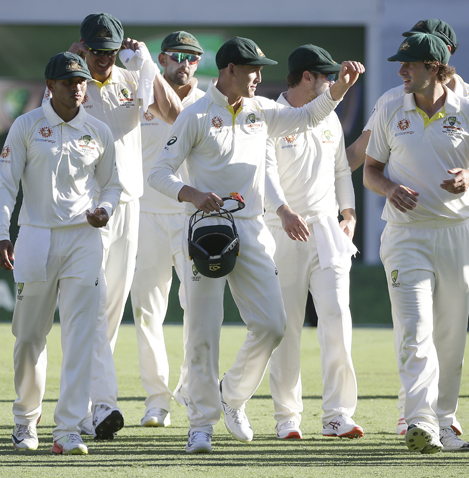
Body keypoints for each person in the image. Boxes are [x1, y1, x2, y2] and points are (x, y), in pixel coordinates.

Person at [149, 36, 364, 453]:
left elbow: (306, 117)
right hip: (207, 230)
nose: (259, 77)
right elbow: (160, 173)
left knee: (272, 324)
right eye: (252, 70)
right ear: (230, 70)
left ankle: (231, 394)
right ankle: (202, 426)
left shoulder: (261, 111)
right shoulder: (195, 115)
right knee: (203, 330)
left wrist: (338, 90)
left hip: (250, 228)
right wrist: (193, 195)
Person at [347, 18, 469, 437]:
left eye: (408, 63)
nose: (400, 70)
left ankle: (443, 417)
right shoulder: (391, 104)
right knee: (415, 330)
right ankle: (419, 420)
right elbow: (369, 168)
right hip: (405, 234)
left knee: (449, 337)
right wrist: (388, 188)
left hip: (457, 233)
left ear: (435, 64)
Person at [44, 13, 184, 439]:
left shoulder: (131, 77)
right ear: (83, 46)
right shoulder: (73, 83)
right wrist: (73, 57)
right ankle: (102, 405)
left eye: (110, 50)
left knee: (108, 310)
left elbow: (174, 114)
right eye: (95, 50)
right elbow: (44, 120)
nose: (104, 59)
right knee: (92, 302)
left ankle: (81, 407)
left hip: (129, 203)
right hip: (86, 209)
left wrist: (149, 67)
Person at [0, 52, 122, 455]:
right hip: (36, 237)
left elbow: (113, 185)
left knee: (81, 335)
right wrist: (1, 233)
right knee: (29, 336)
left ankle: (66, 428)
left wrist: (105, 210)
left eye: (81, 81)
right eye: (69, 82)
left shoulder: (98, 130)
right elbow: (5, 185)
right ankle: (25, 421)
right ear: (50, 86)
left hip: (84, 240)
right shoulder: (27, 126)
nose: (78, 87)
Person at [264, 44, 363, 441]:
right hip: (281, 231)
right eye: (326, 78)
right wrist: (284, 211)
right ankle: (287, 417)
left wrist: (349, 212)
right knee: (286, 327)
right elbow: (266, 173)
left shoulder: (329, 118)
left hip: (326, 231)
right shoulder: (271, 116)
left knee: (337, 317)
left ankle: (337, 415)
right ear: (308, 78)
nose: (330, 85)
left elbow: (341, 168)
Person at [130, 31, 205, 428]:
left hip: (189, 216)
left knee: (197, 310)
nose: (185, 63)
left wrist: (145, 67)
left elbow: (175, 114)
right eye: (177, 56)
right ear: (162, 59)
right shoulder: (140, 90)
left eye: (192, 57)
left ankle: (191, 392)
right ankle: (157, 400)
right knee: (147, 313)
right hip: (145, 215)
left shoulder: (204, 101)